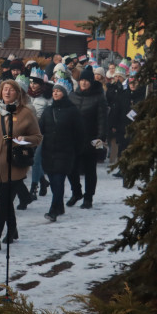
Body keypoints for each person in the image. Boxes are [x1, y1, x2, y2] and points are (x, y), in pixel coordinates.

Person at [0, 79, 42, 253]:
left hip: (15, 165)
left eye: (11, 90)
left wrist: (23, 141)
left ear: (18, 93)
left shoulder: (25, 113)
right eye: (4, 89)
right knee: (6, 201)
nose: (7, 92)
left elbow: (37, 137)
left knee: (3, 200)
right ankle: (12, 229)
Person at [39, 78, 85, 222]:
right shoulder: (48, 110)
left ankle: (53, 210)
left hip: (65, 152)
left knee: (58, 180)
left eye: (58, 91)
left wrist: (77, 150)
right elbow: (40, 130)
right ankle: (60, 206)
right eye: (54, 91)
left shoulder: (72, 111)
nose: (55, 93)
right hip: (49, 151)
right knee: (53, 181)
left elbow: (80, 133)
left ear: (64, 93)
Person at [67, 65, 108, 209]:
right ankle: (76, 192)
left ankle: (88, 197)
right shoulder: (72, 96)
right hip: (74, 140)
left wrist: (100, 139)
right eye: (82, 80)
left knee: (90, 170)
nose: (84, 83)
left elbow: (103, 120)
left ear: (91, 82)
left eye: (87, 80)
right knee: (71, 169)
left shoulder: (99, 97)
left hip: (91, 139)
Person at [25, 67, 53, 204]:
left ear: (41, 84)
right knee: (32, 160)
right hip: (28, 132)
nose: (32, 85)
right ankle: (42, 180)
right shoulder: (26, 96)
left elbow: (51, 116)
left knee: (36, 159)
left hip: (42, 133)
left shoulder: (47, 98)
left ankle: (33, 188)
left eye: (35, 83)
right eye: (31, 83)